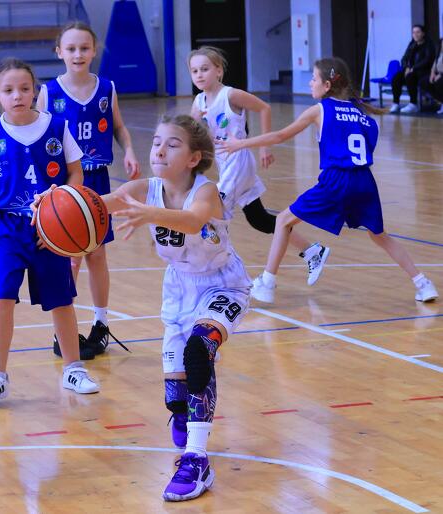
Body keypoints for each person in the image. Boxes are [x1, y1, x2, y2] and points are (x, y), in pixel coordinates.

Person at [33, 114, 249, 502]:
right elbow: (92, 206)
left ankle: (197, 459)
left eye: (172, 144)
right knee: (177, 395)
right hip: (179, 290)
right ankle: (184, 412)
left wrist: (150, 213)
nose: (160, 150)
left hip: (222, 285)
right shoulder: (142, 189)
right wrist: (53, 204)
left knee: (199, 350)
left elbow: (193, 220)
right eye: (156, 142)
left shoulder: (206, 191)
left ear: (193, 158)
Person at [217, 57, 438, 304]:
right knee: (380, 236)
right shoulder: (363, 114)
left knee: (282, 220)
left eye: (314, 79)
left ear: (327, 85)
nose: (310, 83)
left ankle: (267, 283)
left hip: (337, 179)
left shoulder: (320, 110)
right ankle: (423, 283)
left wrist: (240, 144)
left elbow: (279, 136)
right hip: (365, 181)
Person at [0, 57, 99, 408]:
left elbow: (76, 172)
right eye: (9, 90)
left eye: (25, 88)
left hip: (48, 227)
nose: (17, 95)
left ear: (35, 91)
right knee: (1, 296)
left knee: (61, 300)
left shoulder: (57, 127)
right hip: (5, 227)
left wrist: (63, 207)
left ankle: (73, 369)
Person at [37, 21, 140, 360]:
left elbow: (119, 128)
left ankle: (101, 324)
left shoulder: (107, 88)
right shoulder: (49, 93)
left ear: (95, 51)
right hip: (66, 183)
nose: (78, 54)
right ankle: (62, 333)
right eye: (71, 48)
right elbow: (41, 139)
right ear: (59, 52)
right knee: (69, 259)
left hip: (98, 180)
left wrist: (129, 150)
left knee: (97, 255)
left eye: (84, 48)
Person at [188, 46, 329, 286]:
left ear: (218, 71)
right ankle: (313, 251)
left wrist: (264, 147)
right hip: (225, 163)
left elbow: (264, 108)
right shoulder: (199, 101)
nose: (199, 75)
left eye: (205, 69)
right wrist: (197, 122)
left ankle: (219, 274)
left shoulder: (230, 95)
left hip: (238, 161)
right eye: (194, 71)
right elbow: (193, 133)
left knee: (212, 217)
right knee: (259, 219)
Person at [390, 25, 436, 114]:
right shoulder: (412, 44)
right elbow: (404, 58)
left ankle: (413, 104)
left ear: (423, 33)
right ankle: (396, 103)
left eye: (418, 32)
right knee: (396, 77)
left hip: (423, 72)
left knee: (410, 77)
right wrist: (406, 67)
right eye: (413, 32)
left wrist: (413, 68)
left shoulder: (429, 45)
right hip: (410, 71)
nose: (415, 34)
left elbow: (427, 60)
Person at [419, 38, 443, 114]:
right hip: (437, 74)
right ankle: (441, 100)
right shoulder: (439, 54)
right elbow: (434, 66)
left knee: (439, 82)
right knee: (423, 82)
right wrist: (432, 74)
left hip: (441, 75)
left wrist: (441, 75)